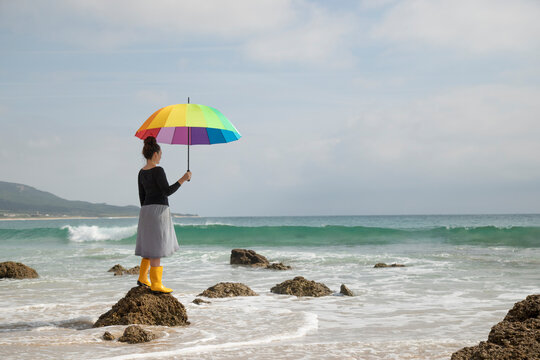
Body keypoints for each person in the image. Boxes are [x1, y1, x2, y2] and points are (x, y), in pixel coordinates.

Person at [135, 136, 191, 293]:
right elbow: (167, 191)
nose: (161, 157)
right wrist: (183, 178)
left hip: (145, 211)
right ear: (154, 154)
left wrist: (147, 212)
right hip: (158, 211)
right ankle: (156, 284)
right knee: (156, 248)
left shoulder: (141, 173)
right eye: (160, 154)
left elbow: (142, 196)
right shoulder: (158, 170)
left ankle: (142, 278)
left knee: (149, 245)